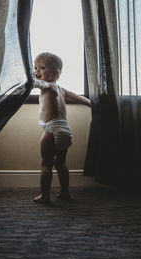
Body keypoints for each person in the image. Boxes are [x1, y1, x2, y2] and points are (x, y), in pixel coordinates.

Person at [32, 52, 91, 203]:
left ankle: (45, 196)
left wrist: (26, 77)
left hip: (52, 129)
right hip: (65, 130)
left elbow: (34, 83)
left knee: (46, 164)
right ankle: (65, 193)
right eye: (35, 68)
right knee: (61, 164)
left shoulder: (46, 86)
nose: (37, 71)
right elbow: (79, 98)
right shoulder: (61, 89)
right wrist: (92, 104)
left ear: (55, 72)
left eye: (42, 68)